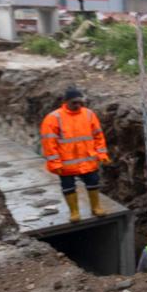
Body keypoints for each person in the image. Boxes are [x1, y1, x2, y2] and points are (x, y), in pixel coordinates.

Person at [40, 86, 110, 222]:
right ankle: (74, 212)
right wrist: (55, 162)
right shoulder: (54, 118)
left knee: (93, 183)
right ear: (66, 102)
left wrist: (102, 154)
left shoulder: (88, 114)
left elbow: (98, 136)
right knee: (68, 187)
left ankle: (96, 208)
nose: (78, 105)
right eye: (74, 102)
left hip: (87, 160)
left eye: (80, 102)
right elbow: (49, 143)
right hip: (66, 163)